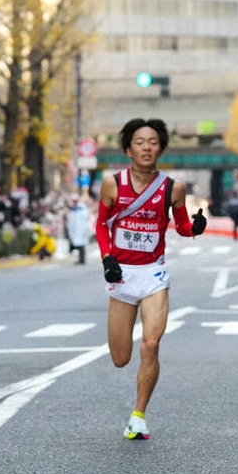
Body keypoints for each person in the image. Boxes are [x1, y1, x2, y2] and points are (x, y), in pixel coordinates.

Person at [95, 118, 206, 441]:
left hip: (154, 274)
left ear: (161, 148)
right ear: (129, 149)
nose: (147, 147)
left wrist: (194, 228)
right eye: (140, 142)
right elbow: (102, 225)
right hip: (121, 275)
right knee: (120, 358)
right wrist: (107, 259)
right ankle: (136, 411)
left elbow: (182, 226)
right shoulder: (113, 184)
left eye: (153, 142)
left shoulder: (174, 188)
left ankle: (138, 416)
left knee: (151, 344)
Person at [65, 193, 91, 264]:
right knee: (77, 244)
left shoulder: (82, 208)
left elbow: (84, 219)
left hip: (81, 230)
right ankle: (80, 259)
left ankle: (82, 259)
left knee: (81, 245)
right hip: (76, 230)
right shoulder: (73, 209)